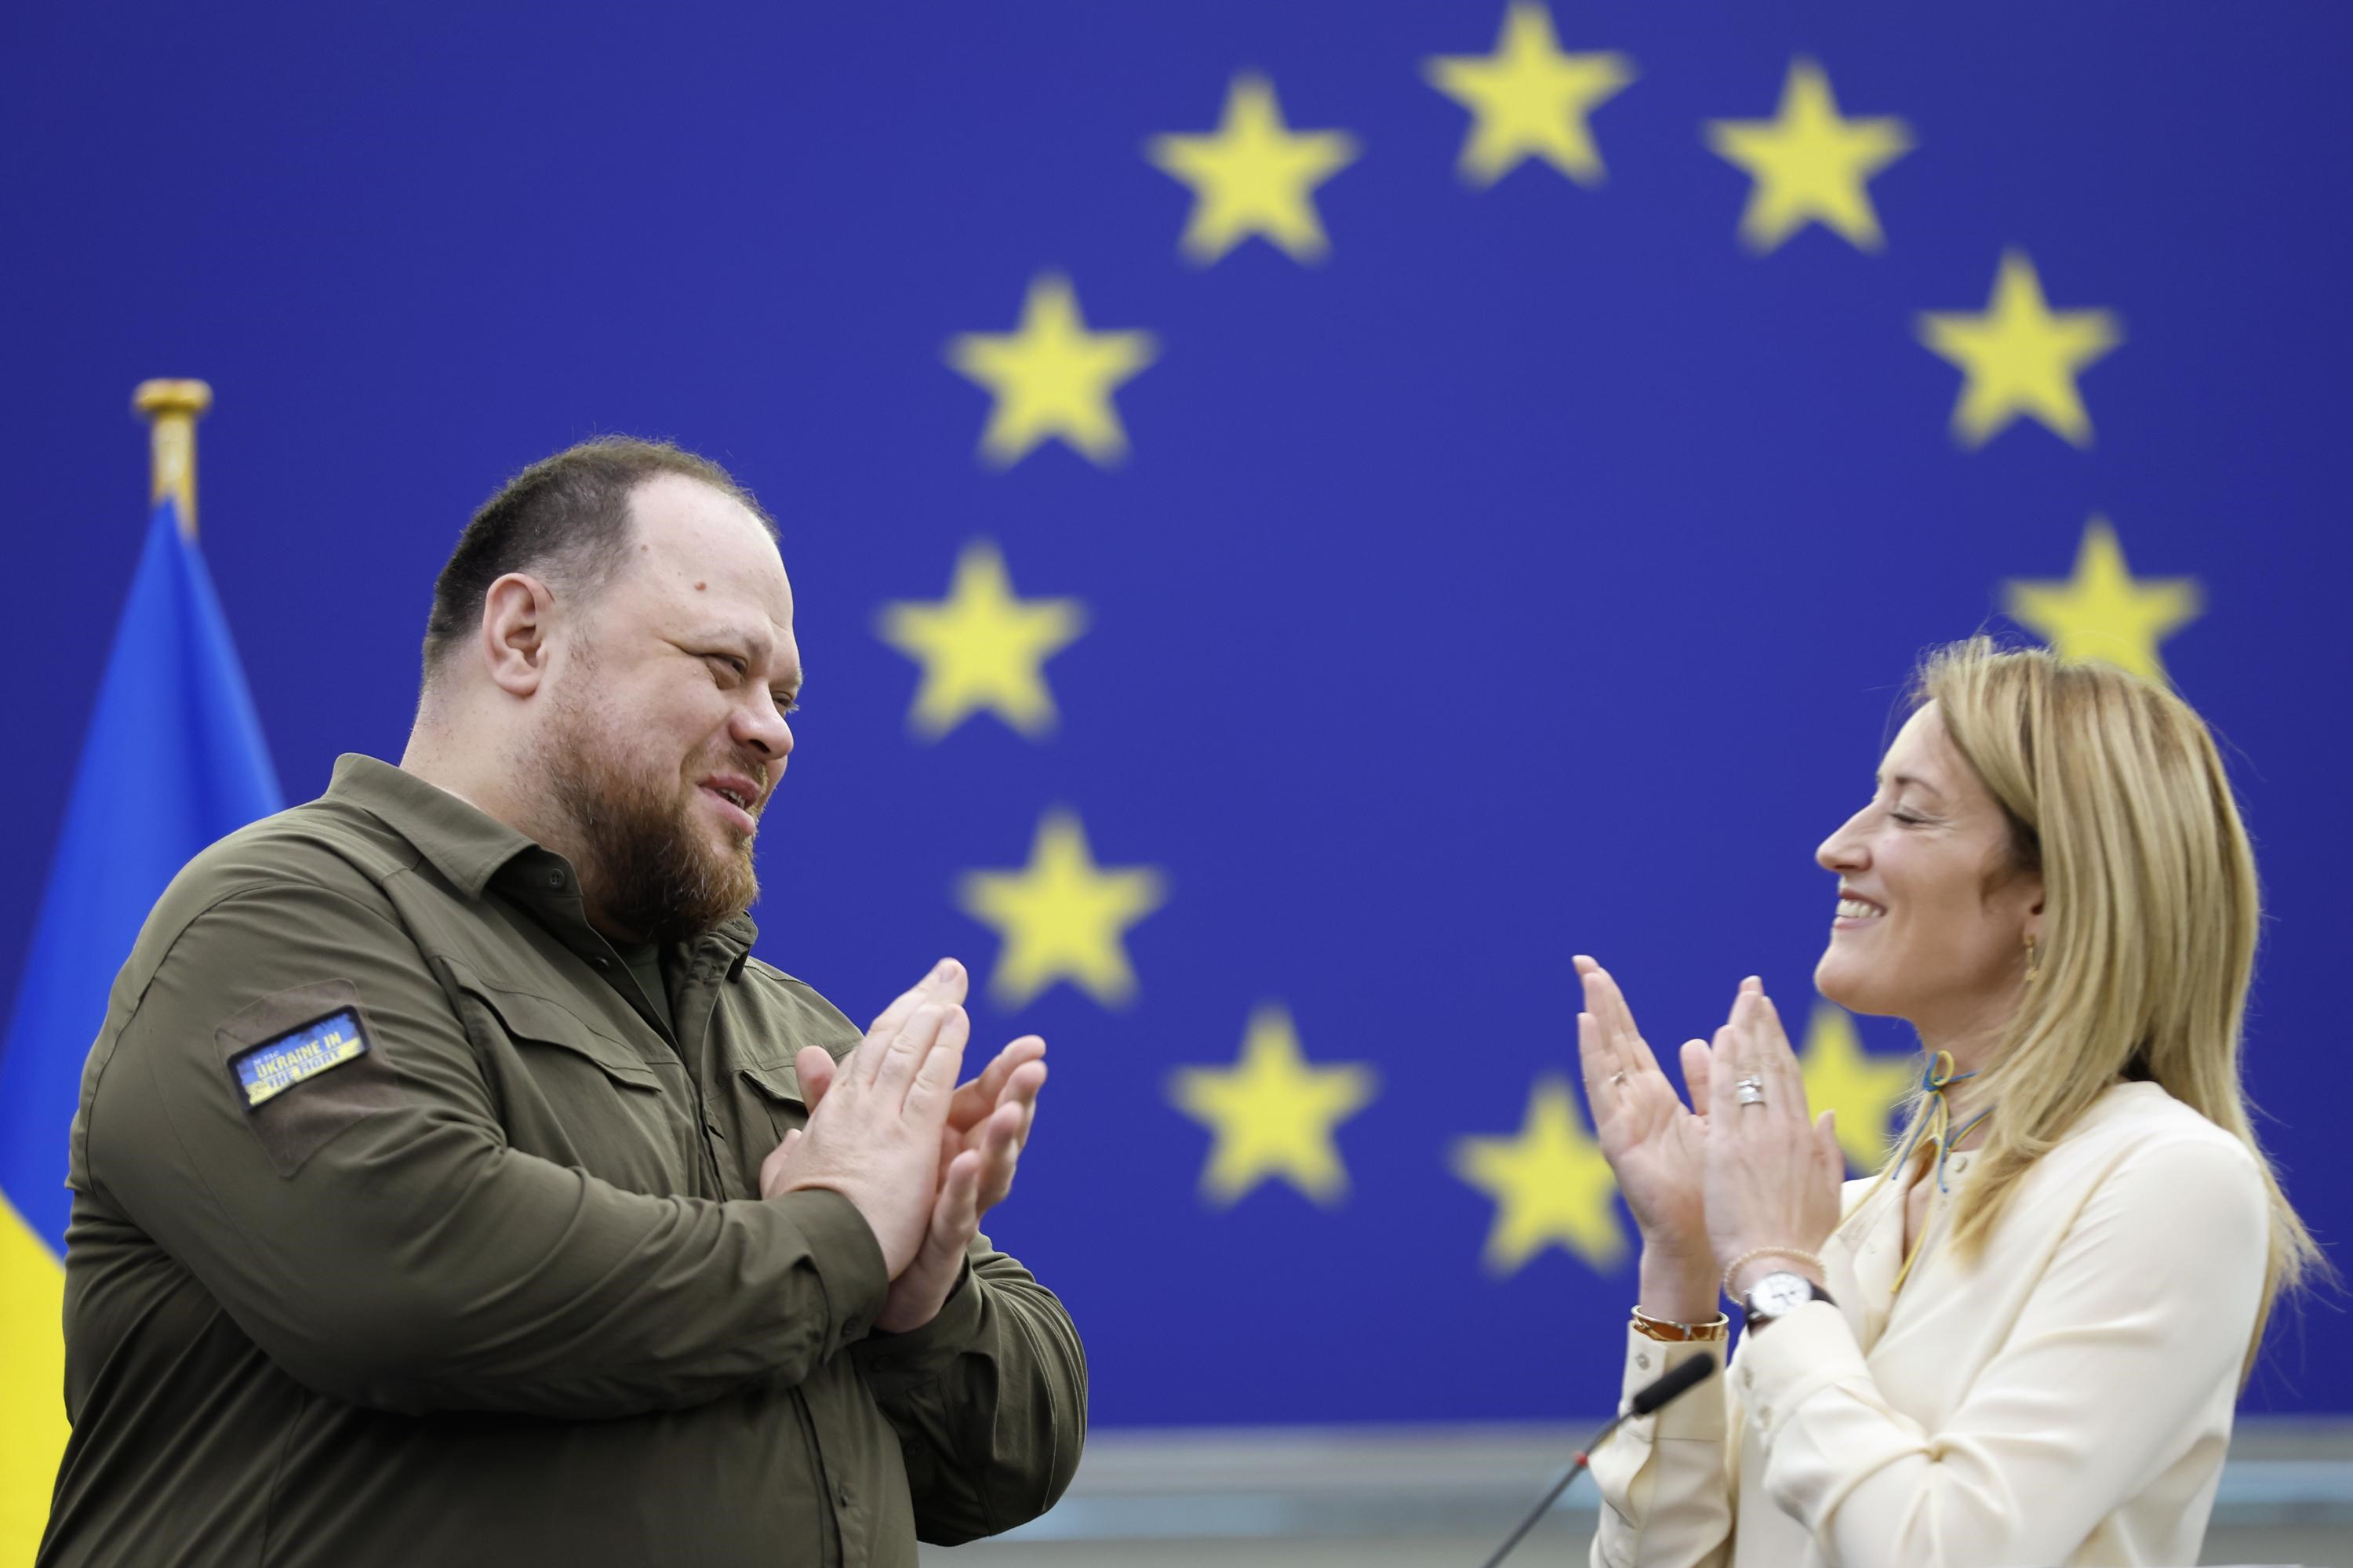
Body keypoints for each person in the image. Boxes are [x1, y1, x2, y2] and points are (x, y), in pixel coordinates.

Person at [35, 438, 1086, 1568]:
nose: (774, 727)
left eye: (783, 694)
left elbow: (1014, 1457)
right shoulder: (276, 918)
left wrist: (918, 1300)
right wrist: (837, 1243)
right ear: (524, 635)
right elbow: (412, 1276)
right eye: (724, 665)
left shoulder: (794, 1032)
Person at [1576, 638, 2322, 1567]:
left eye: (1910, 813)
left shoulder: (2172, 1179)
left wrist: (1774, 1278)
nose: (1838, 845)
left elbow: (1946, 1550)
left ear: (2048, 894)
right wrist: (1687, 1267)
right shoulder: (1837, 1225)